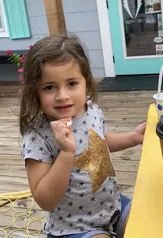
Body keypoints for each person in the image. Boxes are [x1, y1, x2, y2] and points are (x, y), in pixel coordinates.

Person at [20, 34, 146, 238]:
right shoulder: (37, 136)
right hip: (73, 227)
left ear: (85, 82)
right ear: (35, 91)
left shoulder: (92, 110)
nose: (62, 95)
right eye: (49, 87)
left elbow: (99, 142)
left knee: (147, 223)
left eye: (72, 83)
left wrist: (133, 137)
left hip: (113, 206)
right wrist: (66, 152)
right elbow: (45, 200)